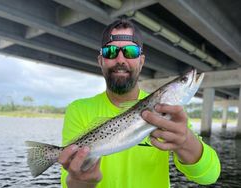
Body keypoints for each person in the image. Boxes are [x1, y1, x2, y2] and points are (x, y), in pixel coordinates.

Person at [58, 18, 221, 188]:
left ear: (141, 61)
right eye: (111, 51)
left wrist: (186, 140)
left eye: (130, 51)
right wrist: (81, 180)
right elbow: (68, 183)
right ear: (101, 60)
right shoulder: (78, 109)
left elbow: (210, 176)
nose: (121, 59)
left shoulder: (171, 115)